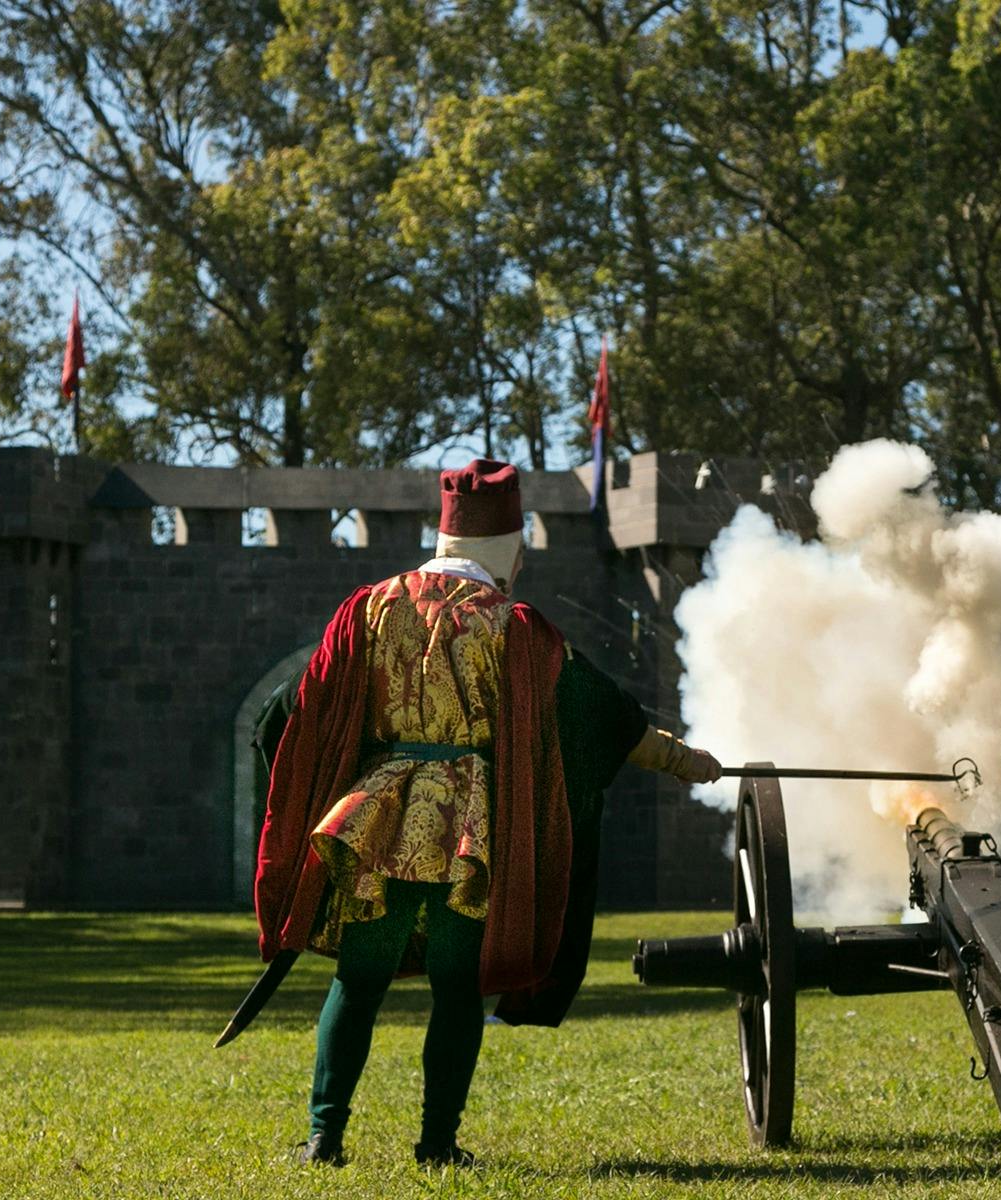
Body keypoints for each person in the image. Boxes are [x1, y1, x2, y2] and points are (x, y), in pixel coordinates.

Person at [251, 459, 721, 1167]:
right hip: (467, 833)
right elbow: (602, 721)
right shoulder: (516, 627)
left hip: (374, 823)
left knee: (359, 977)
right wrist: (683, 759)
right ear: (509, 551)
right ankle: (438, 1146)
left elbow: (290, 710)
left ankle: (324, 1138)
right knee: (457, 988)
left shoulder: (369, 609)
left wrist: (308, 799)